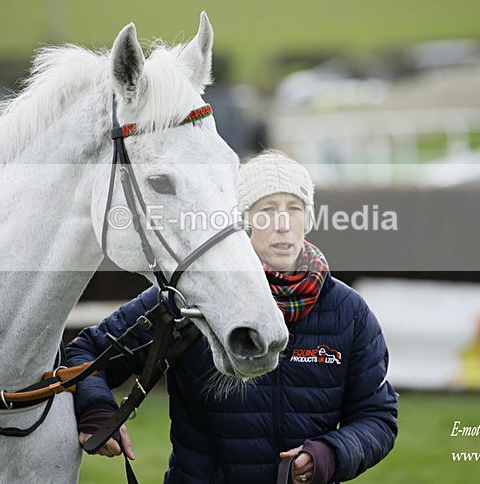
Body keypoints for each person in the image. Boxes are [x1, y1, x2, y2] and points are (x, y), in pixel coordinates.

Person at [66, 150, 398, 483]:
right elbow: (87, 354)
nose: (282, 224)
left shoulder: (348, 311)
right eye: (267, 211)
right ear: (240, 222)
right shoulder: (188, 297)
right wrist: (96, 411)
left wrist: (330, 453)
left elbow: (378, 416)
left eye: (294, 209)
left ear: (307, 220)